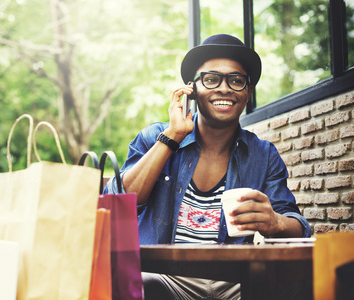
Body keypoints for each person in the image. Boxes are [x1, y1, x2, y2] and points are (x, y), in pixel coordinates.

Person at [104, 34, 312, 299]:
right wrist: (172, 137)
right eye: (211, 79)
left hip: (236, 280)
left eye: (236, 81)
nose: (224, 89)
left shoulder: (264, 155)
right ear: (192, 89)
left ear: (248, 93)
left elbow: (298, 228)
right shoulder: (155, 138)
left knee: (297, 286)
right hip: (164, 277)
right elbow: (118, 204)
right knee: (129, 286)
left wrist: (275, 222)